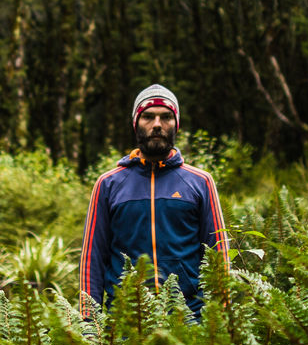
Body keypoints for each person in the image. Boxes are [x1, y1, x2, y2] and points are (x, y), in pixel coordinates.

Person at [80, 84, 230, 319]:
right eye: (148, 116)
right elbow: (92, 259)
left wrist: (222, 321)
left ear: (176, 124)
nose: (157, 124)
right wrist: (89, 324)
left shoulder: (201, 182)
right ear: (136, 124)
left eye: (166, 117)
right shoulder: (108, 184)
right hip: (125, 323)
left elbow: (218, 257)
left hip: (189, 320)